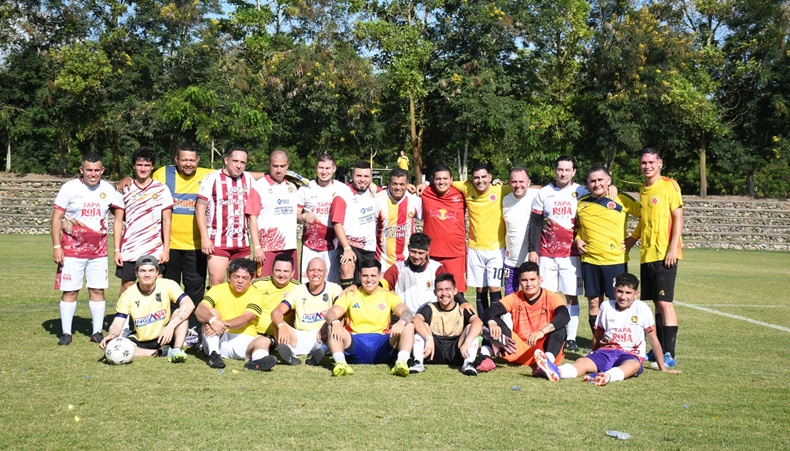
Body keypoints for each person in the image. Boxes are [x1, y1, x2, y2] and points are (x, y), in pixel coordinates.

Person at [535, 272, 680, 385]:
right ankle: (556, 371)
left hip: (630, 354)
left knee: (633, 366)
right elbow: (598, 335)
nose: (623, 296)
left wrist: (663, 367)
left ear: (636, 294)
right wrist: (594, 353)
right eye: (620, 291)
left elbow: (653, 339)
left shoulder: (642, 308)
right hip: (606, 351)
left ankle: (607, 376)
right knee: (583, 362)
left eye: (628, 293)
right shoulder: (606, 306)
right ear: (614, 290)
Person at [625, 147, 684, 367]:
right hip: (647, 254)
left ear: (660, 163)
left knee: (665, 303)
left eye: (651, 162)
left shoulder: (669, 185)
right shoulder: (643, 189)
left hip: (664, 253)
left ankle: (670, 353)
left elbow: (678, 217)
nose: (647, 166)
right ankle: (658, 349)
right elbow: (644, 220)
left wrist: (672, 248)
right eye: (644, 163)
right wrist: (632, 239)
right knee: (657, 303)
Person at [51, 152, 117, 345]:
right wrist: (57, 246)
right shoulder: (69, 188)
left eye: (97, 170)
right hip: (72, 251)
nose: (93, 174)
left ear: (102, 170)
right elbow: (56, 218)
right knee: (70, 291)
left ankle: (97, 332)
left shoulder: (108, 189)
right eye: (89, 170)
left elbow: (120, 212)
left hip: (98, 251)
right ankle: (66, 332)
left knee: (97, 290)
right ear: (81, 170)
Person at [151, 143, 213, 336]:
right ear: (176, 160)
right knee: (170, 290)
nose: (188, 164)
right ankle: (169, 329)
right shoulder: (162, 174)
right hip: (169, 246)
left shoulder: (208, 175)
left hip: (196, 246)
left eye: (192, 160)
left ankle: (192, 329)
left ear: (198, 160)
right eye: (184, 160)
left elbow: (239, 171)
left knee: (195, 290)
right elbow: (143, 181)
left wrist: (271, 174)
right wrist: (126, 179)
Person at [527, 156, 587, 352]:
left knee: (571, 296)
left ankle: (571, 338)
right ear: (555, 170)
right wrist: (532, 250)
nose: (563, 173)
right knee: (548, 297)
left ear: (574, 172)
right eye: (560, 169)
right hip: (546, 254)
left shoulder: (581, 192)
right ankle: (550, 335)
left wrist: (611, 187)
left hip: (571, 255)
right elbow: (535, 223)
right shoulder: (544, 193)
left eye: (567, 170)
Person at [575, 164, 640, 335]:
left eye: (600, 180)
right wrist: (577, 239)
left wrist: (633, 238)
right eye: (593, 181)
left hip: (614, 261)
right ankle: (598, 343)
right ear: (587, 183)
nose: (597, 184)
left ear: (609, 180)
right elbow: (580, 228)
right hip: (590, 261)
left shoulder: (621, 199)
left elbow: (646, 217)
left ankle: (617, 340)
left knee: (618, 302)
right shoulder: (581, 203)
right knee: (593, 303)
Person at [323, 258, 416, 377]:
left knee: (409, 325)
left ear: (380, 276)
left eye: (373, 276)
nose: (369, 280)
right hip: (355, 343)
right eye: (365, 276)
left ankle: (401, 363)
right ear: (359, 276)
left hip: (382, 344)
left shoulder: (389, 295)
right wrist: (335, 322)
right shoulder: (350, 294)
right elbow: (331, 313)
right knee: (332, 326)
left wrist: (402, 321)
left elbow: (407, 312)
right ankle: (341, 364)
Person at [99, 255, 193, 362]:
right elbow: (117, 323)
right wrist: (112, 335)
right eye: (142, 271)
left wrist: (170, 327)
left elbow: (189, 304)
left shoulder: (167, 284)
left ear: (157, 272)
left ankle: (176, 349)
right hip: (141, 339)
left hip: (165, 335)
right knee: (124, 347)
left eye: (151, 270)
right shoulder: (128, 294)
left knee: (180, 313)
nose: (147, 274)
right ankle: (160, 352)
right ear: (136, 273)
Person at [481, 262, 569, 373]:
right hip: (518, 349)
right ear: (519, 281)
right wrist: (491, 322)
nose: (529, 284)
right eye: (524, 280)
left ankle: (547, 362)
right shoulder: (514, 298)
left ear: (540, 279)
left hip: (545, 348)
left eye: (532, 279)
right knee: (490, 322)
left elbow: (564, 316)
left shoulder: (552, 297)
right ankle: (484, 358)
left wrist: (541, 332)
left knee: (560, 328)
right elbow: (490, 310)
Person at [112, 148, 174, 295]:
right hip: (130, 249)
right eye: (139, 165)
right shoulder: (124, 189)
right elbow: (118, 221)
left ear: (153, 167)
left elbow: (167, 221)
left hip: (154, 249)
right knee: (127, 288)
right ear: (134, 166)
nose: (143, 169)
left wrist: (166, 250)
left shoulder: (162, 189)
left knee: (156, 289)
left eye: (147, 165)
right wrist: (116, 250)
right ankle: (123, 312)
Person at [451, 163, 510, 314]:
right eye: (476, 177)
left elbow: (524, 188)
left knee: (495, 288)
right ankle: (483, 325)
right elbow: (445, 181)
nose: (480, 180)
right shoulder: (466, 188)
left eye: (484, 177)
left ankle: (495, 323)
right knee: (480, 289)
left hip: (496, 249)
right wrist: (424, 185)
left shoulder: (501, 190)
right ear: (471, 179)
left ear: (490, 177)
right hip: (475, 249)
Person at [196, 146, 255, 287]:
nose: (239, 165)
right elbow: (199, 209)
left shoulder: (248, 178)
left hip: (241, 243)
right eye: (235, 161)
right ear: (226, 160)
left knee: (240, 283)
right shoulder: (212, 178)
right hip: (218, 241)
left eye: (243, 162)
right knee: (216, 281)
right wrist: (204, 238)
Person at [195, 258, 265, 369]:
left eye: (245, 278)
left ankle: (258, 362)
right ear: (229, 276)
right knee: (212, 313)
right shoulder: (217, 289)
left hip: (242, 338)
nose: (240, 281)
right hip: (217, 337)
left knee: (264, 341)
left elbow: (246, 317)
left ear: (251, 279)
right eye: (236, 276)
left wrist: (221, 324)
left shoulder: (257, 295)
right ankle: (214, 355)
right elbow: (200, 309)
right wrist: (212, 320)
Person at [271, 257, 343, 366]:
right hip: (299, 336)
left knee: (337, 323)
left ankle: (321, 352)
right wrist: (280, 325)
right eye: (312, 270)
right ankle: (290, 354)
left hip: (323, 336)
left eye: (319, 270)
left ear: (326, 272)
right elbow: (277, 311)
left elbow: (342, 312)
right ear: (306, 272)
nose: (315, 273)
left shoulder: (334, 288)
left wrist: (329, 324)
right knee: (275, 322)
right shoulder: (298, 290)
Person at [412, 274, 484, 375]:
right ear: (435, 292)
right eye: (440, 290)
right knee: (423, 325)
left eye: (448, 289)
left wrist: (467, 341)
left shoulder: (462, 309)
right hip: (433, 350)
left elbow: (478, 322)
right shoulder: (430, 307)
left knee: (471, 327)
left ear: (455, 291)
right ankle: (418, 362)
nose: (444, 293)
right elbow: (416, 320)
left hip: (457, 351)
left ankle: (468, 363)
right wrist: (428, 337)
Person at [296, 154, 352, 283]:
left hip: (333, 245)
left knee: (331, 284)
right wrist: (303, 216)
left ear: (334, 169)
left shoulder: (343, 189)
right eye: (321, 168)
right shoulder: (305, 188)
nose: (324, 172)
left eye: (327, 168)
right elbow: (295, 216)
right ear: (316, 168)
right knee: (309, 283)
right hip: (309, 245)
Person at [246, 149, 299, 278]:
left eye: (282, 166)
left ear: (288, 165)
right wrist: (257, 247)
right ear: (269, 164)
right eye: (275, 166)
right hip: (267, 246)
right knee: (263, 283)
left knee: (289, 283)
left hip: (289, 245)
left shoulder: (292, 187)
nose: (279, 170)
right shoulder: (258, 187)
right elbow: (252, 218)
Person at [245, 253, 300, 369]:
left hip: (280, 334)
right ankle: (261, 359)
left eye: (286, 271)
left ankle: (289, 352)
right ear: (271, 270)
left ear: (292, 273)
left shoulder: (298, 288)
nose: (281, 274)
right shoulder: (257, 284)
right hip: (253, 333)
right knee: (263, 342)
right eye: (278, 270)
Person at [419, 165, 468, 293]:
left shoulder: (462, 194)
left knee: (456, 292)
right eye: (438, 179)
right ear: (433, 180)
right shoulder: (425, 192)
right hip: (431, 253)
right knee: (430, 292)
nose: (441, 182)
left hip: (455, 253)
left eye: (445, 178)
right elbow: (404, 189)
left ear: (451, 180)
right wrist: (410, 185)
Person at [331, 160, 379, 289]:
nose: (362, 179)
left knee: (367, 282)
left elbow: (394, 190)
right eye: (359, 176)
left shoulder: (375, 192)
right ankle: (347, 297)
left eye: (366, 176)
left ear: (371, 178)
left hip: (369, 247)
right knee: (347, 265)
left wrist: (409, 186)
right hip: (349, 244)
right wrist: (347, 248)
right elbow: (337, 224)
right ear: (352, 176)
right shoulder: (342, 195)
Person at [375, 167, 422, 273]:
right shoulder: (378, 199)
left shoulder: (414, 199)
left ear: (407, 184)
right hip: (383, 262)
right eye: (394, 184)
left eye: (402, 184)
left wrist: (426, 184)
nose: (398, 187)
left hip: (407, 262)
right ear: (389, 183)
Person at [502, 167, 539, 295]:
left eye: (521, 181)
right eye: (514, 182)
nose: (518, 185)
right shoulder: (505, 199)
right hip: (511, 260)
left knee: (532, 297)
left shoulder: (537, 196)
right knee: (509, 298)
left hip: (532, 260)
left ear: (529, 182)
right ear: (509, 183)